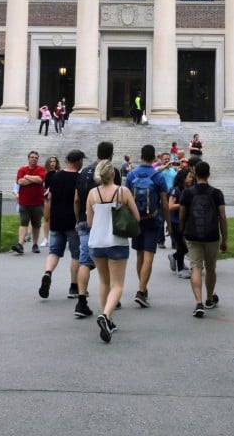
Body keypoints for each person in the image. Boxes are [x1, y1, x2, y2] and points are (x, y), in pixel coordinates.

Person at [86, 159, 141, 343]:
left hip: (96, 242)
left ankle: (108, 320)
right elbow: (137, 216)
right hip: (117, 241)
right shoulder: (122, 191)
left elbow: (89, 222)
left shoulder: (92, 194)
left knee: (104, 281)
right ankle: (106, 315)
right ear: (113, 174)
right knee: (117, 284)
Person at [74, 141, 121, 319]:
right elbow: (118, 195)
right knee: (110, 261)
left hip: (86, 220)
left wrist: (78, 218)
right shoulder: (112, 171)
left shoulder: (84, 171)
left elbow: (77, 199)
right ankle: (112, 298)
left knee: (85, 261)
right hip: (107, 222)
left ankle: (81, 300)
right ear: (111, 154)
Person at [179, 160, 228, 318]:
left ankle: (198, 302)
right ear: (209, 174)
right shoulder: (216, 193)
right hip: (212, 235)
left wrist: (182, 230)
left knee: (196, 267)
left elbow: (182, 214)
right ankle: (209, 298)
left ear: (194, 174)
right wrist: (224, 238)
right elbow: (222, 217)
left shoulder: (187, 193)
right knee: (211, 268)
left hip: (193, 234)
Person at [125, 144, 169, 308]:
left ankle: (142, 287)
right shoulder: (158, 176)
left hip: (136, 220)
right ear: (153, 158)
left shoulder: (131, 175)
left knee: (139, 256)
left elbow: (127, 199)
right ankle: (141, 290)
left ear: (141, 156)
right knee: (149, 257)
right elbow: (164, 204)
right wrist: (169, 225)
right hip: (152, 220)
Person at [38, 150, 83, 301]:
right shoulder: (79, 178)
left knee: (54, 251)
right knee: (76, 254)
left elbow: (49, 197)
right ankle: (73, 286)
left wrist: (48, 217)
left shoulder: (55, 176)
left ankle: (48, 272)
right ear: (78, 162)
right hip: (72, 221)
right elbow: (77, 200)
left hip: (56, 220)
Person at [13, 151, 46, 254]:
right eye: (32, 157)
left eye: (36, 157)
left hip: (37, 202)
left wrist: (27, 177)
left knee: (36, 224)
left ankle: (35, 244)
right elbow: (20, 181)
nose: (34, 159)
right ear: (28, 158)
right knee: (23, 223)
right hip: (24, 202)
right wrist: (33, 179)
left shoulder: (41, 169)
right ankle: (20, 244)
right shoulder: (22, 169)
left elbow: (40, 180)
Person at [167, 163, 193, 278]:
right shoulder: (176, 190)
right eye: (189, 177)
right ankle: (180, 268)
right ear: (183, 179)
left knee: (186, 245)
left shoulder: (189, 190)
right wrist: (183, 204)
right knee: (182, 245)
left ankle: (176, 257)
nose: (191, 179)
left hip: (186, 221)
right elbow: (170, 206)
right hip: (176, 221)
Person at [40, 155, 62, 247]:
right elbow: (42, 185)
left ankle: (59, 237)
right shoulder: (44, 174)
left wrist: (51, 189)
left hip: (57, 198)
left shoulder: (59, 173)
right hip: (47, 198)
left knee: (58, 218)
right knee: (47, 218)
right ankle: (45, 238)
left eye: (54, 161)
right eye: (51, 161)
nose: (52, 163)